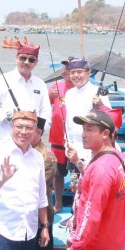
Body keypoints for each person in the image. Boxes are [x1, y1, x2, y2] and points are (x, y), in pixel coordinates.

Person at [0, 110, 50, 250]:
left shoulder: (37, 157)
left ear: (36, 131)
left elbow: (42, 197)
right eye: (19, 127)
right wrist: (1, 180)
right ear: (12, 128)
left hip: (30, 231)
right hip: (5, 232)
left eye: (29, 128)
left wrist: (45, 227)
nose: (23, 132)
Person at [65, 110, 125, 250]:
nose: (83, 134)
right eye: (83, 129)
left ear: (105, 134)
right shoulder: (121, 159)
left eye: (89, 130)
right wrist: (78, 164)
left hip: (95, 246)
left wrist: (75, 246)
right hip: (116, 243)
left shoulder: (101, 169)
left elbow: (91, 216)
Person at [0, 43, 52, 147]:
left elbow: (46, 111)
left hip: (32, 143)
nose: (26, 62)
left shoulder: (40, 83)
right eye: (23, 58)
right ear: (16, 58)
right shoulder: (2, 79)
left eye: (31, 59)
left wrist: (40, 130)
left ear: (36, 62)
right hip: (6, 141)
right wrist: (8, 117)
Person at [64, 58, 111, 164]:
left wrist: (101, 105)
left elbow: (111, 120)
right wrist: (66, 144)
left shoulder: (97, 92)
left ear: (89, 73)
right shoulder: (69, 94)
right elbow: (68, 122)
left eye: (79, 72)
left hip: (93, 149)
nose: (75, 75)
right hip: (74, 149)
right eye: (72, 72)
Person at [48, 57, 75, 213]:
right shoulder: (57, 85)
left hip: (76, 141)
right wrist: (48, 94)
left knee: (77, 175)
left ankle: (76, 207)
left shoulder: (82, 89)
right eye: (65, 69)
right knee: (57, 174)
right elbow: (42, 104)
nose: (66, 72)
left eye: (70, 69)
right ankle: (58, 203)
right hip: (57, 138)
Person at [31, 117, 56, 250]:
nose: (25, 133)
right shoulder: (25, 152)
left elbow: (40, 190)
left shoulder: (46, 156)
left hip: (42, 217)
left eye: (30, 129)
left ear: (39, 133)